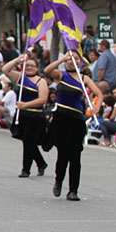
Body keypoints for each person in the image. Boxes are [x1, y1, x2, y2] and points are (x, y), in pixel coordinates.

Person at [44, 51, 103, 201]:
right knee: (63, 154)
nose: (73, 61)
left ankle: (73, 190)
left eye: (76, 59)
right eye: (70, 59)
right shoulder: (61, 76)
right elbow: (47, 71)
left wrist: (96, 107)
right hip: (61, 118)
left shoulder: (84, 78)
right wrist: (62, 59)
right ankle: (59, 180)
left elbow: (98, 94)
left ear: (81, 61)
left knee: (75, 156)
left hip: (76, 119)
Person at [1, 55, 49, 177]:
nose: (29, 68)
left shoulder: (41, 81)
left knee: (28, 140)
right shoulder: (19, 77)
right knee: (27, 141)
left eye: (32, 65)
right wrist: (17, 60)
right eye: (27, 65)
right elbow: (5, 70)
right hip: (22, 115)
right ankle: (41, 163)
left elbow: (43, 99)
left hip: (36, 115)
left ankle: (26, 169)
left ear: (37, 68)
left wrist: (25, 105)